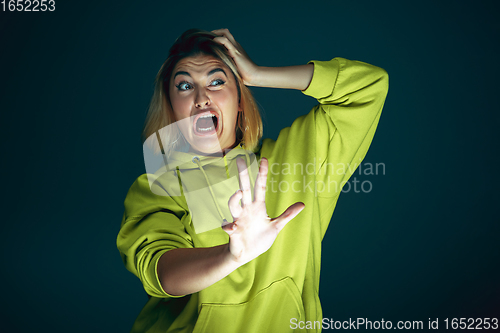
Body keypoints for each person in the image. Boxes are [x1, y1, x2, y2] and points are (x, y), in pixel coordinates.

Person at [117, 28, 389, 332]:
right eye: (184, 86)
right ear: (171, 107)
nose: (201, 97)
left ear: (240, 101)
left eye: (217, 81)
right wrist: (230, 256)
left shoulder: (297, 157)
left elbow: (368, 85)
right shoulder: (158, 186)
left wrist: (257, 74)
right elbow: (162, 272)